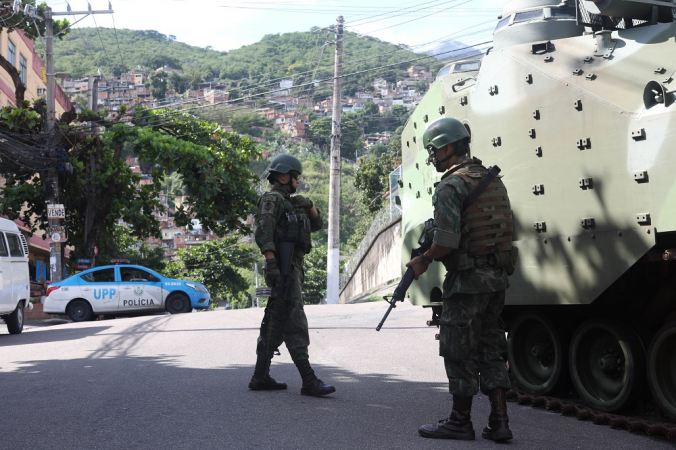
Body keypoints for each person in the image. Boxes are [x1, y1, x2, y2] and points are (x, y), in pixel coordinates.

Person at [406, 117, 515, 442]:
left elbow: (446, 241)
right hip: (496, 279)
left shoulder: (452, 186)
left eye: (434, 151)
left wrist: (424, 259)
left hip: (467, 281)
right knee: (491, 347)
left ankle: (459, 421)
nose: (431, 158)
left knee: (457, 349)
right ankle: (500, 422)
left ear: (450, 147)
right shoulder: (492, 179)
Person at [248, 153, 336, 397]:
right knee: (294, 320)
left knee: (276, 320)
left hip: (293, 267)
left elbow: (317, 225)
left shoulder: (292, 202)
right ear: (284, 176)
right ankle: (308, 379)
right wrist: (272, 264)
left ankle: (260, 375)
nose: (298, 181)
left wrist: (308, 205)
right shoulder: (271, 200)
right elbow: (263, 232)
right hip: (282, 268)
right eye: (296, 177)